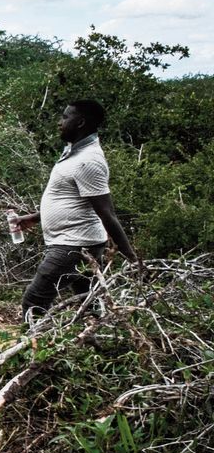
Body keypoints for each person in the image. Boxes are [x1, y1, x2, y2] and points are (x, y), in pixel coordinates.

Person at [13, 99, 144, 320]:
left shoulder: (88, 161)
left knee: (35, 300)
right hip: (79, 241)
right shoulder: (74, 153)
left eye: (65, 117)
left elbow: (107, 213)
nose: (59, 122)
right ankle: (95, 343)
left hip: (74, 244)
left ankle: (30, 352)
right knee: (89, 302)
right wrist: (36, 218)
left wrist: (131, 257)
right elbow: (73, 200)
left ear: (81, 122)